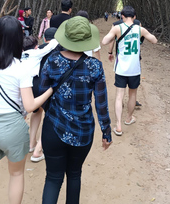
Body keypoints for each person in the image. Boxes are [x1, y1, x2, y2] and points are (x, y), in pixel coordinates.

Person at [0, 16, 54, 204]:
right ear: (18, 38)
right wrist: (50, 90)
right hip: (13, 128)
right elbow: (30, 106)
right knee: (16, 175)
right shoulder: (21, 68)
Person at [39, 16, 112, 204]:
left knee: (53, 178)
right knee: (74, 175)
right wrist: (106, 131)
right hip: (83, 130)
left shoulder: (52, 61)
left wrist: (54, 112)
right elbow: (101, 103)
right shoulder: (95, 66)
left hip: (53, 128)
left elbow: (42, 93)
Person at [101, 6, 158, 136]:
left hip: (121, 68)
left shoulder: (117, 28)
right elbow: (154, 40)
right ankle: (129, 118)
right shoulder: (140, 29)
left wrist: (113, 37)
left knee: (119, 96)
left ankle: (118, 126)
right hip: (134, 69)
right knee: (133, 95)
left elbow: (104, 41)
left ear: (121, 16)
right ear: (134, 17)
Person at [23, 28, 58, 163]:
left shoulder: (27, 53)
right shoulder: (54, 49)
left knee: (36, 112)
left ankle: (31, 144)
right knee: (51, 116)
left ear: (44, 38)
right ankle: (38, 149)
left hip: (30, 86)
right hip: (46, 86)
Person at [109, 15, 143, 106]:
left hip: (121, 55)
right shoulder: (138, 23)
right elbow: (140, 39)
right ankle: (132, 99)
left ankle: (121, 101)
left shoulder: (116, 25)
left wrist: (110, 52)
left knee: (121, 79)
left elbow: (112, 40)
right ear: (134, 16)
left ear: (122, 16)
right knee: (133, 78)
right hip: (135, 56)